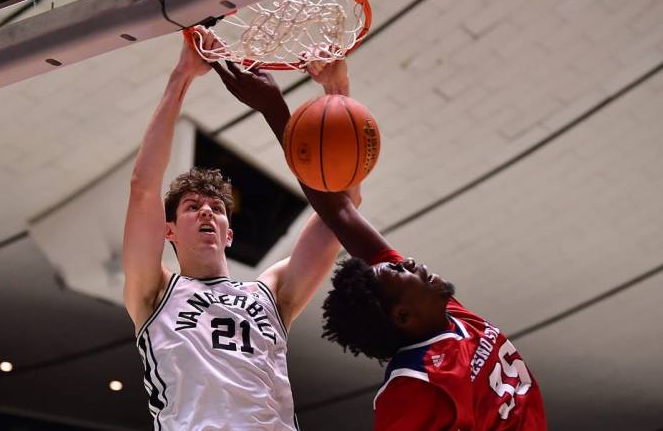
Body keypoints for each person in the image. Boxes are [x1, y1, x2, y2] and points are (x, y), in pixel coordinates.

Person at [213, 58, 547, 430]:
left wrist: (282, 108)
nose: (411, 262)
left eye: (400, 265)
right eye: (402, 271)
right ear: (403, 316)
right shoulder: (412, 387)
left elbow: (339, 212)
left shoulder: (444, 317)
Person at [122, 27, 344, 430]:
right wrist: (183, 75)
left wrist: (336, 92)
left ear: (229, 234)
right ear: (167, 230)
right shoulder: (154, 292)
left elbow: (340, 218)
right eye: (192, 207)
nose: (207, 212)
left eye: (216, 209)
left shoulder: (271, 291)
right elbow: (142, 189)